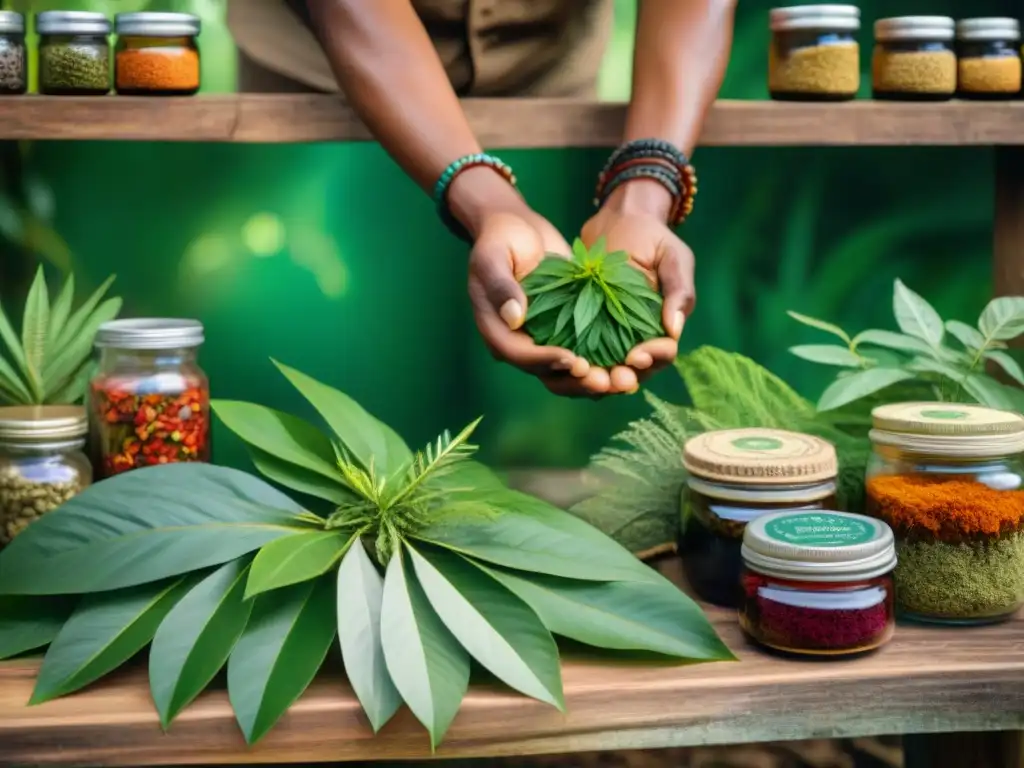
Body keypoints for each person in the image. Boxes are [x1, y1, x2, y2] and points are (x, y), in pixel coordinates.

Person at [227, 0, 737, 397]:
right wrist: (488, 202)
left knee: (486, 377)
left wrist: (643, 195)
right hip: (330, 76)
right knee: (327, 321)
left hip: (545, 73)